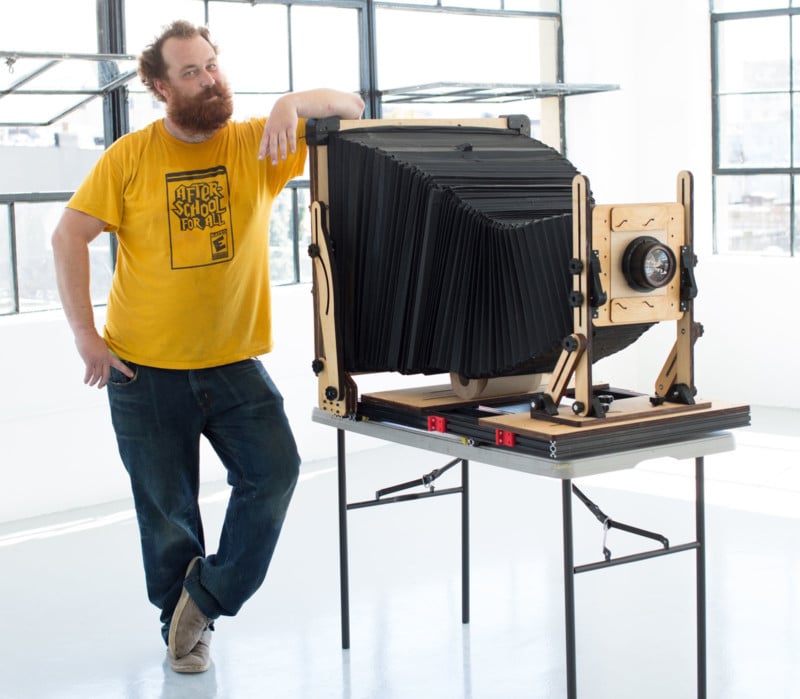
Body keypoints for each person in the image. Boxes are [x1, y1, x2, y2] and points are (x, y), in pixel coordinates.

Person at [51, 19, 364, 674]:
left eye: (212, 65)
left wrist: (289, 103)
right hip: (143, 370)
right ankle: (183, 629)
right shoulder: (130, 157)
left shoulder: (260, 142)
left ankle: (210, 595)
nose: (208, 79)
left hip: (232, 365)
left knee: (274, 470)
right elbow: (67, 236)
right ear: (161, 87)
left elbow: (352, 108)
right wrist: (86, 334)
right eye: (190, 72)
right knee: (168, 512)